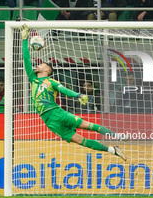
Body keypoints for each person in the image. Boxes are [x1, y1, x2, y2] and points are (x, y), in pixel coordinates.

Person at [20, 25, 127, 161]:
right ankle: (113, 150)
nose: (38, 65)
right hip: (49, 121)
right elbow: (26, 59)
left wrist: (78, 95)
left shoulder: (51, 81)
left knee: (86, 125)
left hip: (57, 112)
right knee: (79, 140)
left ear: (47, 70)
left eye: (41, 65)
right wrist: (25, 39)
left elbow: (64, 90)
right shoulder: (33, 79)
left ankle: (117, 136)